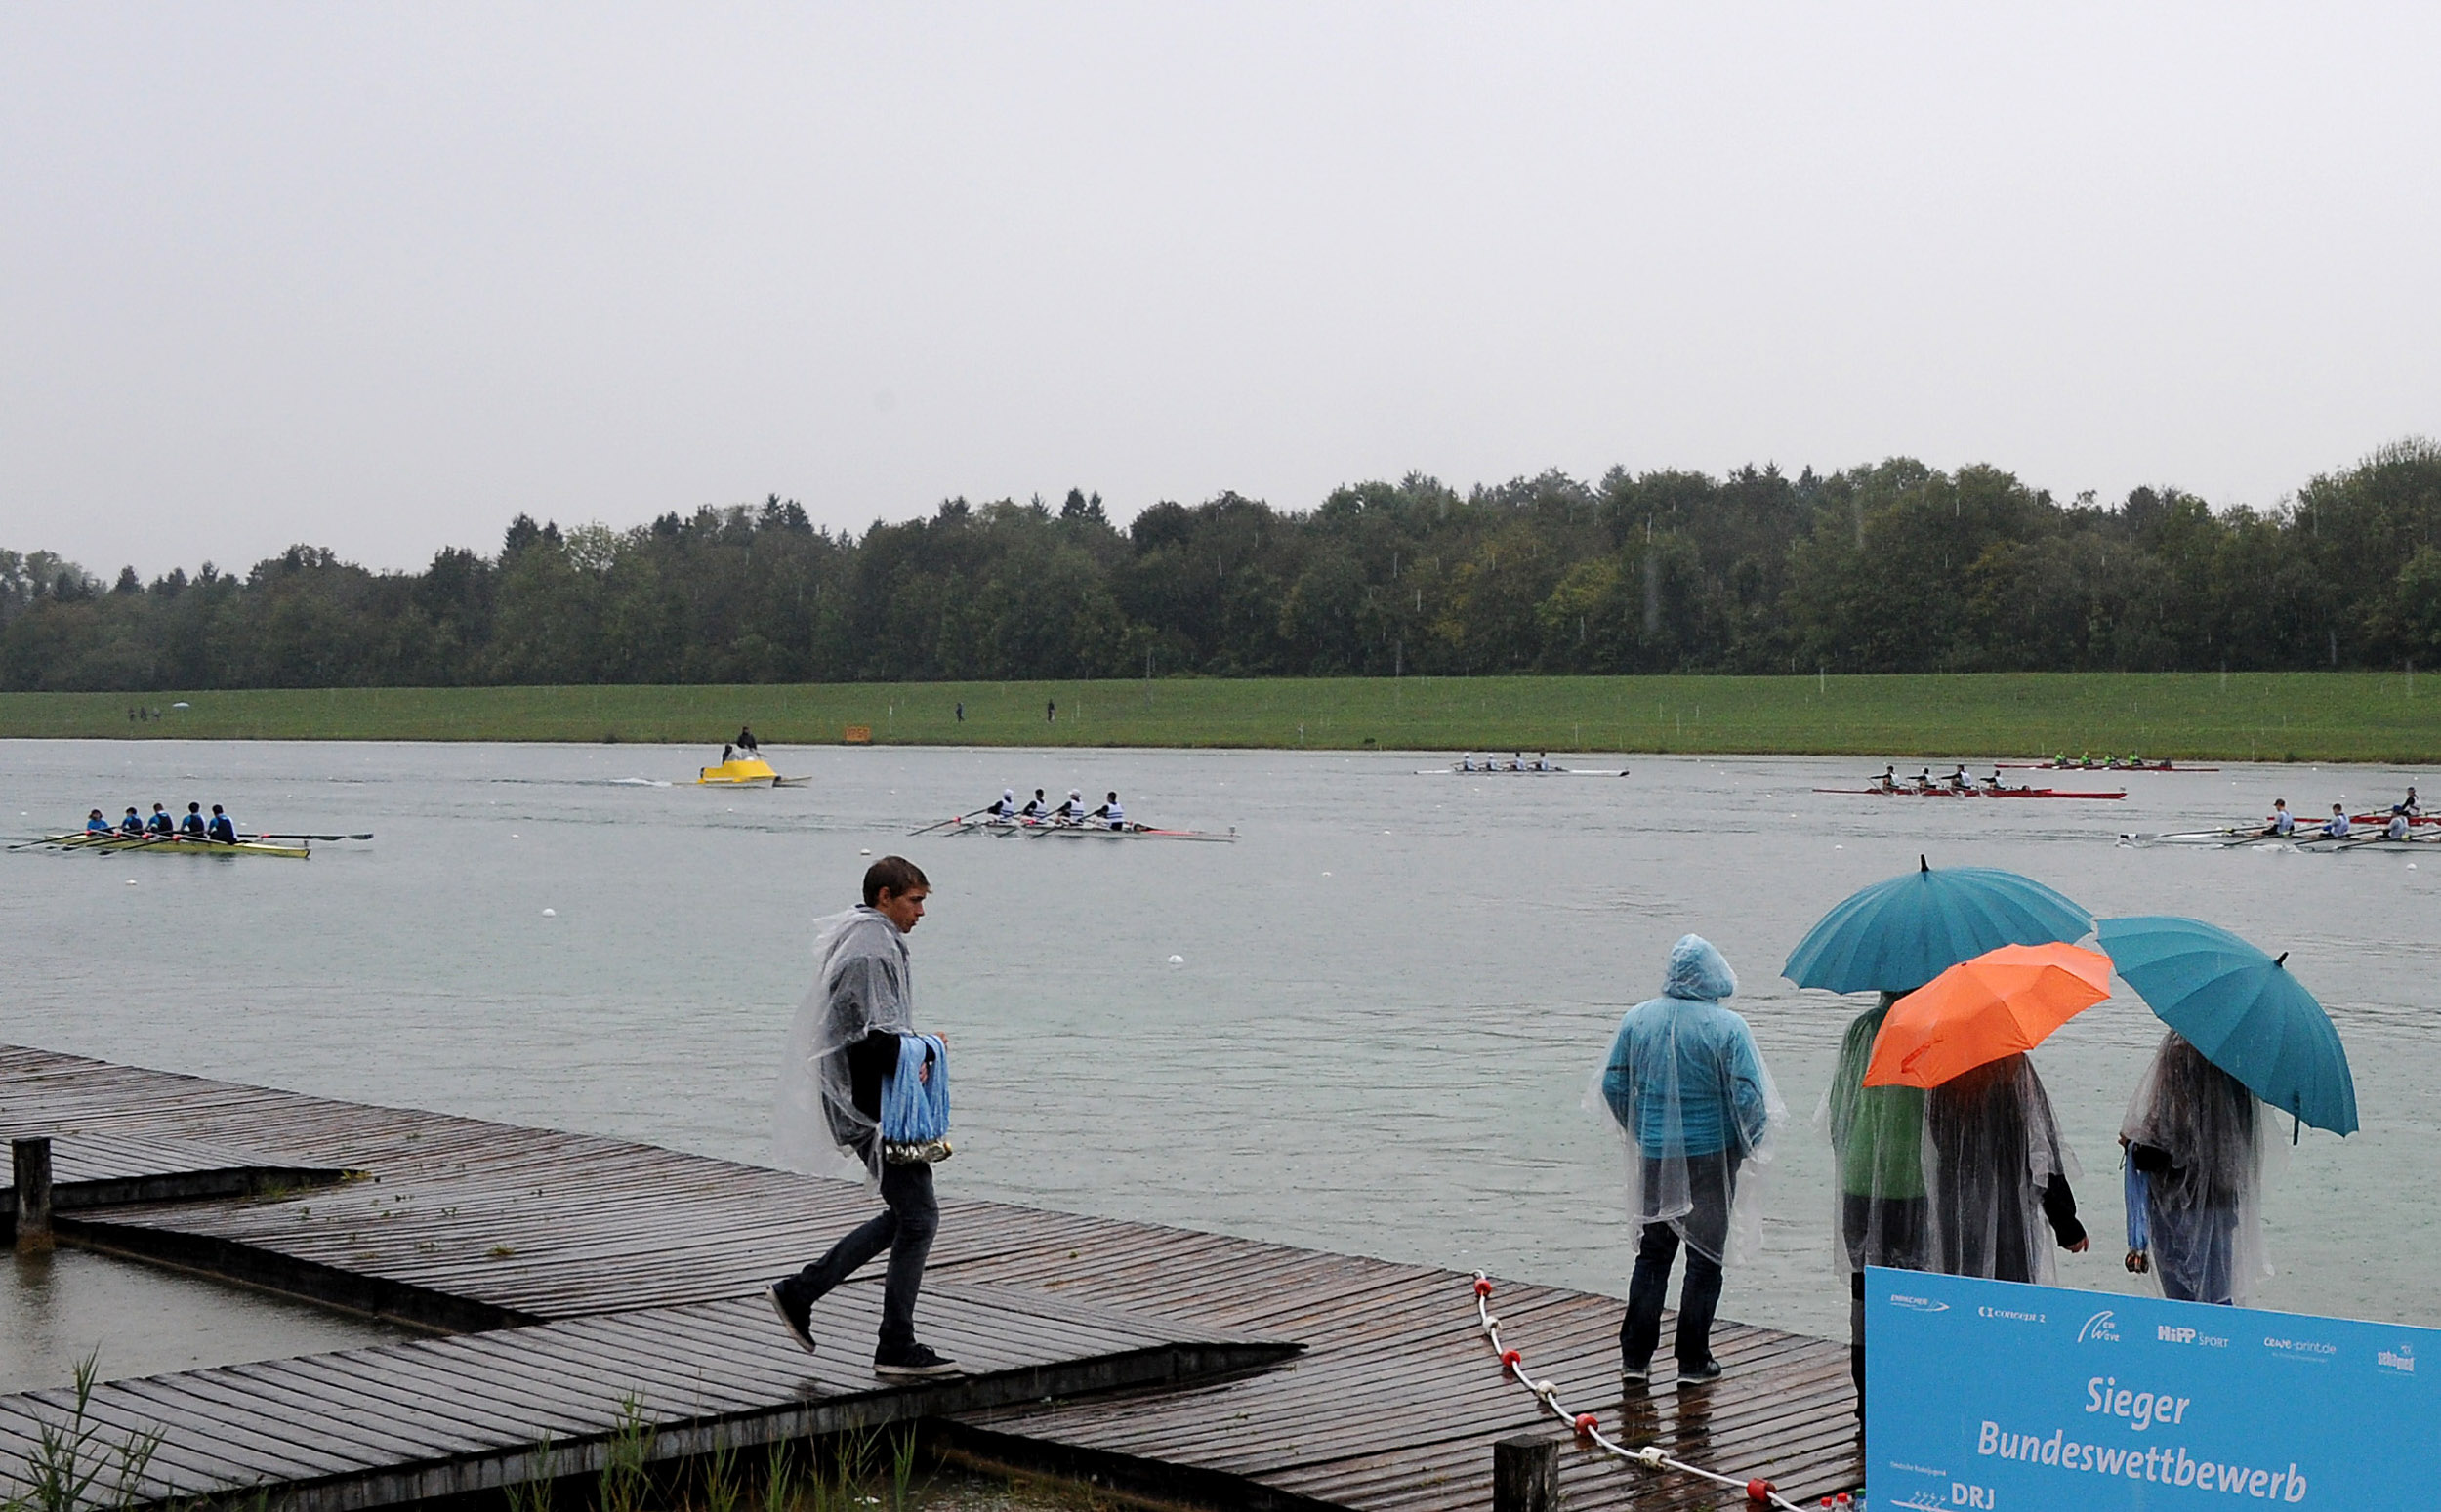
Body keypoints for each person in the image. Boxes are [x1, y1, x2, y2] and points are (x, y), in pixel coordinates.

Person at [767, 856, 960, 1378]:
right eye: (914, 900)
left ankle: (801, 1293)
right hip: (872, 1106)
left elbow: (866, 1030)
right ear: (884, 897)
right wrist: (924, 1049)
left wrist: (914, 1050)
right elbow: (869, 1040)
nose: (920, 912)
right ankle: (894, 1345)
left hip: (869, 1097)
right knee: (919, 1217)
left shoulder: (864, 937)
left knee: (908, 1215)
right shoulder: (872, 949)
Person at [1595, 935, 1782, 1388]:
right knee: (1704, 1258)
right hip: (1711, 1156)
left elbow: (1613, 1084)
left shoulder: (1637, 1020)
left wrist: (1640, 1129)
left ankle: (1635, 1358)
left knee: (1653, 1256)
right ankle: (1692, 1360)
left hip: (1657, 1153)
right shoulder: (1727, 1028)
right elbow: (1748, 1097)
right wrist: (1748, 1143)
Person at [1825, 991, 1929, 1413]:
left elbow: (1839, 1107)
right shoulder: (1931, 1029)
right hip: (1914, 1183)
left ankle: (1866, 1393)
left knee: (1864, 1290)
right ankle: (1906, 1389)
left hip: (1859, 1178)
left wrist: (1853, 1155)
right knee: (1915, 1293)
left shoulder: (1860, 1030)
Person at [2120, 1031, 2265, 1307]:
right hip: (2223, 1205)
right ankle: (2220, 1345)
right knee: (2218, 1294)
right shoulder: (2237, 1083)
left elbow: (2163, 1154)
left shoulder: (2177, 1096)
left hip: (2175, 1214)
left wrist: (2134, 1146)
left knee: (2183, 1301)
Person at [1922, 1053, 2087, 1284]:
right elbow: (2042, 1150)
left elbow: (1937, 1138)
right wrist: (2066, 1223)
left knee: (1960, 1290)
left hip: (1956, 1207)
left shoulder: (1943, 1071)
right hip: (2010, 1208)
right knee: (2011, 1299)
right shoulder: (2013, 1065)